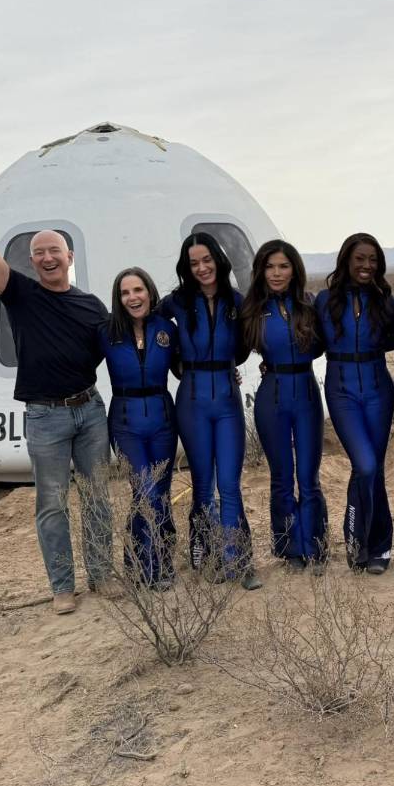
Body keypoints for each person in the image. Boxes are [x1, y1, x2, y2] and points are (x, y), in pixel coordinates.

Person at [0, 168, 116, 615]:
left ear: (69, 255)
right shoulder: (18, 294)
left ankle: (102, 576)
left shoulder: (91, 306)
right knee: (52, 503)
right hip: (45, 417)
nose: (46, 257)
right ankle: (63, 586)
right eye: (38, 252)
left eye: (54, 250)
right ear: (32, 259)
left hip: (89, 411)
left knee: (98, 496)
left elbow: (112, 352)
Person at [161, 233, 261, 590]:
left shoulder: (237, 301)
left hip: (228, 401)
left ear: (218, 259)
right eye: (194, 263)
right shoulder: (175, 303)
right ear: (187, 268)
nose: (202, 268)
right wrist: (175, 364)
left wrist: (229, 363)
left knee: (231, 484)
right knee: (203, 486)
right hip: (191, 402)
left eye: (207, 260)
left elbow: (247, 344)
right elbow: (151, 329)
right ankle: (206, 555)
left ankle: (238, 561)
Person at [239, 240, 328, 572]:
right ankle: (290, 549)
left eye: (283, 266)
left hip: (305, 392)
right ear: (261, 271)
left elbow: (323, 345)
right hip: (271, 394)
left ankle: (315, 547)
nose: (276, 274)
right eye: (269, 267)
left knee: (309, 476)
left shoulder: (310, 304)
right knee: (281, 476)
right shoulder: (252, 308)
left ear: (295, 270)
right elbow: (230, 348)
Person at [316, 234, 394, 573]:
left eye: (373, 260)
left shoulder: (384, 301)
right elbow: (309, 342)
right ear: (346, 260)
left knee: (374, 469)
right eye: (360, 259)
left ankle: (377, 547)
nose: (367, 266)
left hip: (379, 390)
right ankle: (355, 539)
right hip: (341, 392)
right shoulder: (323, 301)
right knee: (364, 465)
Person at [99, 268, 178, 589]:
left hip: (162, 419)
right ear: (118, 299)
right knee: (144, 490)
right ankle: (150, 566)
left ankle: (150, 557)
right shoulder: (106, 332)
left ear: (150, 292)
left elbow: (188, 365)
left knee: (159, 491)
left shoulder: (167, 330)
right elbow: (76, 362)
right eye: (125, 293)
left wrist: (230, 373)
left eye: (138, 290)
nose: (132, 297)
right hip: (125, 421)